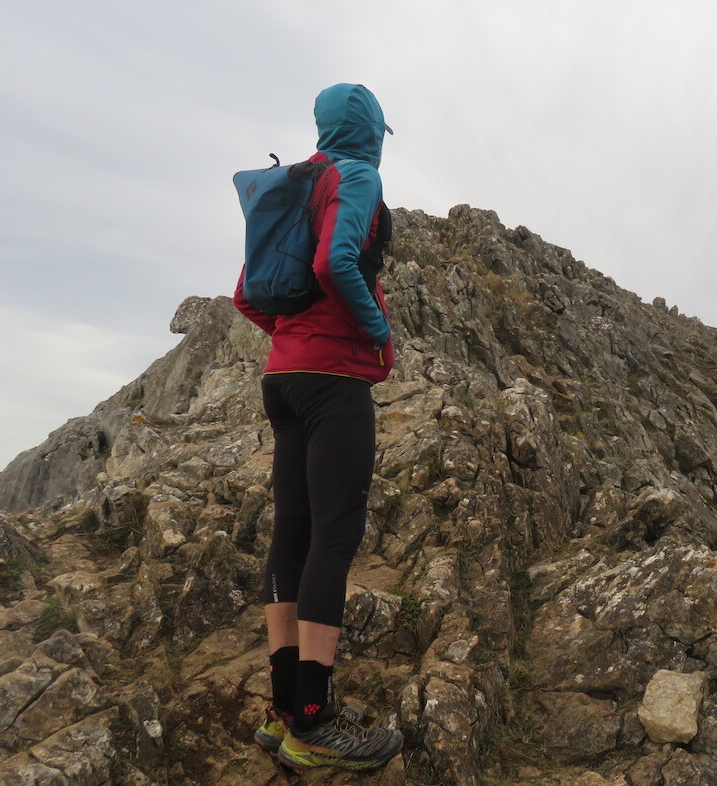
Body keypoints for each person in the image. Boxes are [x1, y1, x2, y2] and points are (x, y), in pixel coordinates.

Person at [233, 82, 400, 772]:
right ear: (373, 131)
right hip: (334, 382)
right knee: (334, 537)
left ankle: (284, 710)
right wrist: (377, 334)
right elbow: (335, 261)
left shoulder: (296, 181)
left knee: (292, 537)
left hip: (284, 379)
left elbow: (246, 293)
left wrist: (291, 339)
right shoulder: (357, 176)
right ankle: (314, 721)